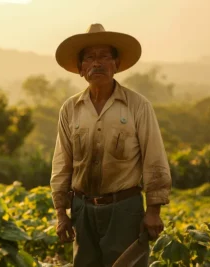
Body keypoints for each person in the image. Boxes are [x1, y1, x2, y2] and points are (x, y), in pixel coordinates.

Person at [50, 23, 172, 266]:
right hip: (82, 210)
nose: (98, 63)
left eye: (105, 56)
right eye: (90, 58)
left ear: (116, 64)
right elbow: (62, 163)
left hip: (124, 210)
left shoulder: (138, 106)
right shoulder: (70, 109)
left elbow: (154, 159)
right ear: (80, 68)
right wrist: (61, 213)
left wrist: (153, 210)